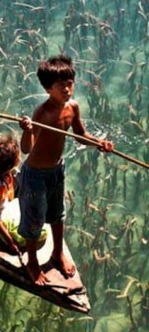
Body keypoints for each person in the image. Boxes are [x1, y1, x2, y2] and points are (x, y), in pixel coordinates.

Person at [18, 54, 113, 285]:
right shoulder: (42, 114)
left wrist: (99, 143)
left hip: (56, 171)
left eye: (70, 83)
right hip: (35, 175)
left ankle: (57, 253)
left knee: (57, 215)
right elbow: (26, 149)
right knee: (33, 220)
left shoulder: (73, 108)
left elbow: (80, 136)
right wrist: (28, 130)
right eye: (61, 86)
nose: (68, 89)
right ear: (48, 88)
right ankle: (32, 262)